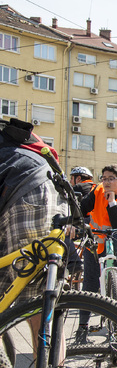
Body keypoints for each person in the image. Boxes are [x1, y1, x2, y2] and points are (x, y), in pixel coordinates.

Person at [0, 118, 67, 301]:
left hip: (28, 186)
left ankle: (41, 331)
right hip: (49, 186)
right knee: (12, 280)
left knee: (30, 282)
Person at [78, 164, 117, 337]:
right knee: (90, 283)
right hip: (97, 238)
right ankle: (82, 326)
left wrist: (112, 202)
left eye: (110, 179)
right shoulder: (97, 190)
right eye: (104, 178)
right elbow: (81, 208)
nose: (105, 182)